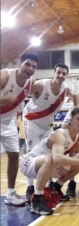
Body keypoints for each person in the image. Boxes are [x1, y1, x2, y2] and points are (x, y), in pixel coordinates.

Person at [20, 108, 79, 215]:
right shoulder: (60, 135)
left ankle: (56, 187)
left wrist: (71, 164)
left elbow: (78, 152)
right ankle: (37, 199)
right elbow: (57, 158)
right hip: (29, 163)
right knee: (52, 159)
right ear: (71, 120)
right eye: (78, 119)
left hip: (49, 164)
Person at [23, 63, 73, 200]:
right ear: (54, 73)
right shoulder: (40, 85)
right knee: (32, 155)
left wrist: (68, 120)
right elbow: (23, 92)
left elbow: (77, 100)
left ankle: (50, 187)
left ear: (66, 76)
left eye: (64, 74)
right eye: (59, 73)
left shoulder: (65, 90)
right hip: (32, 121)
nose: (61, 75)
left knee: (51, 154)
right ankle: (30, 188)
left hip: (48, 125)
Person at [0, 53, 38, 206]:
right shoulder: (5, 75)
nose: (30, 69)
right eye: (27, 64)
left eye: (34, 66)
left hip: (8, 122)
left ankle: (10, 193)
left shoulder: (31, 82)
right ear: (19, 63)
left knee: (15, 155)